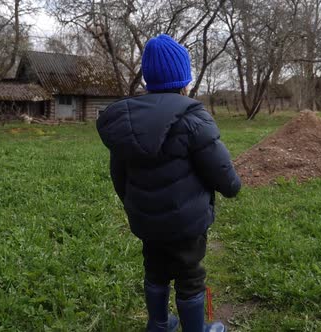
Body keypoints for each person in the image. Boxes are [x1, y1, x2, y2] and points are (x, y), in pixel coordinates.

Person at [96, 34, 241, 332]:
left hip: (146, 220)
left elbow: (118, 174)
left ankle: (159, 324)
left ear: (148, 79)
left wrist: (134, 204)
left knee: (156, 271)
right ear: (183, 79)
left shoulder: (127, 120)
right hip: (187, 223)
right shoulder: (194, 117)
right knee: (190, 275)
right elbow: (220, 168)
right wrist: (232, 187)